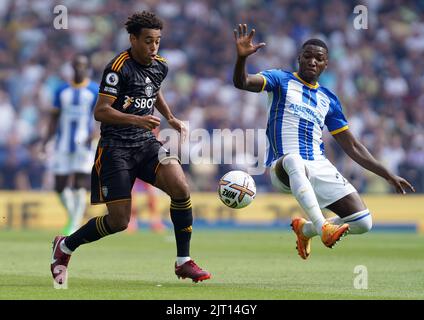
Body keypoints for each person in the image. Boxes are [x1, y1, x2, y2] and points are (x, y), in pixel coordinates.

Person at [50, 11, 210, 284]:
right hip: (115, 149)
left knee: (181, 186)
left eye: (157, 41)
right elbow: (100, 112)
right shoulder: (117, 68)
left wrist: (170, 117)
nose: (154, 47)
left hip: (146, 144)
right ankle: (65, 246)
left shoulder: (160, 64)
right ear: (133, 39)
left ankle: (183, 260)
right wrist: (137, 119)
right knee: (119, 222)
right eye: (148, 41)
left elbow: (153, 88)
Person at [232, 24, 415, 259]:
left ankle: (306, 228)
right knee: (295, 160)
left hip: (318, 165)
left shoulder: (328, 99)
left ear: (326, 64)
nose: (312, 62)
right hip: (283, 166)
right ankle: (322, 226)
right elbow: (242, 82)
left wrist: (386, 173)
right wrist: (241, 59)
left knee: (362, 222)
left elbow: (352, 145)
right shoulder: (280, 80)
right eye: (307, 56)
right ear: (299, 58)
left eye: (319, 58)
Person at [42, 55, 98, 235]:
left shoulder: (94, 90)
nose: (80, 69)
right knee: (59, 186)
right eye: (77, 66)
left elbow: (101, 117)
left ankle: (73, 224)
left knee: (80, 184)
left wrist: (95, 133)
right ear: (72, 67)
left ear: (87, 68)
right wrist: (45, 141)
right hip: (62, 144)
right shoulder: (61, 91)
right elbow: (53, 118)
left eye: (83, 66)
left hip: (84, 144)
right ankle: (74, 217)